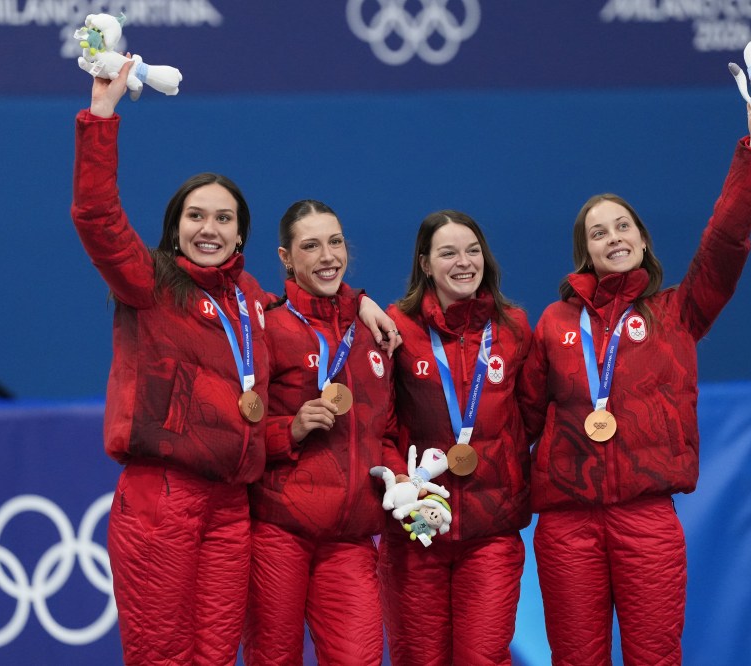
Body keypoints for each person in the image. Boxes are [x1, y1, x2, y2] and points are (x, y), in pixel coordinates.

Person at [71, 64, 398, 665]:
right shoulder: (149, 283)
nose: (210, 228)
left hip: (230, 509)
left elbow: (315, 298)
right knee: (163, 657)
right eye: (196, 216)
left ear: (241, 235)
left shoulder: (249, 300)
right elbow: (97, 217)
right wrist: (101, 117)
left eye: (224, 218)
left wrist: (361, 302)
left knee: (218, 657)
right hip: (161, 496)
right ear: (175, 228)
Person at [517, 88, 751, 665]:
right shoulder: (554, 322)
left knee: (655, 657)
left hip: (647, 517)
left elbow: (726, 241)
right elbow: (521, 421)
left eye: (623, 227)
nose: (613, 237)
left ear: (641, 239)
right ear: (585, 253)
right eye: (599, 233)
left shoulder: (677, 313)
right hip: (566, 524)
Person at [242, 200, 404, 666]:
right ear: (286, 257)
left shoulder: (374, 332)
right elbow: (240, 430)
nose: (328, 256)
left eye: (335, 242)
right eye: (311, 246)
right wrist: (289, 430)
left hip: (350, 539)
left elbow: (386, 432)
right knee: (273, 658)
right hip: (279, 532)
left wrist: (400, 478)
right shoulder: (268, 327)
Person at [379, 210, 532, 665]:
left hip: (491, 533)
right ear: (425, 264)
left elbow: (533, 415)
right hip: (416, 532)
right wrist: (402, 482)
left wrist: (508, 468)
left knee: (483, 657)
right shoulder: (396, 328)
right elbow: (380, 424)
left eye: (472, 251)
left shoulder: (513, 328)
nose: (464, 262)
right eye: (448, 253)